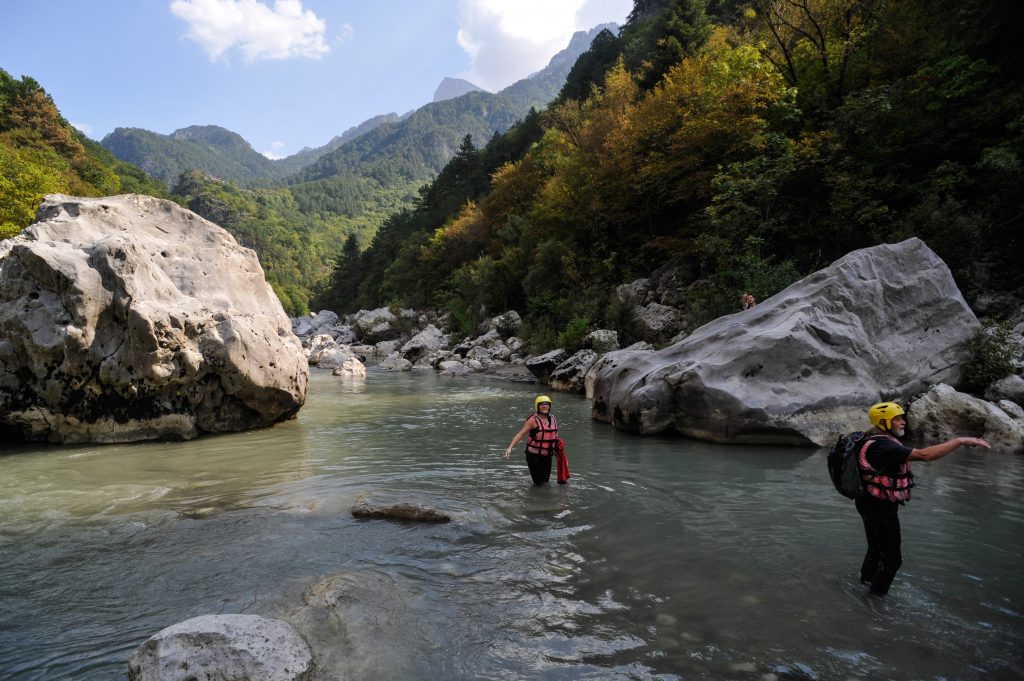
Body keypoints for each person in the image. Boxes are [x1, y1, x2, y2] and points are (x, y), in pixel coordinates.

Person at [855, 401, 990, 596]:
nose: (903, 422)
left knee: (876, 550)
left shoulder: (872, 439)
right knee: (893, 560)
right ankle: (875, 601)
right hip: (880, 508)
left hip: (868, 502)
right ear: (883, 422)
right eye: (897, 419)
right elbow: (925, 455)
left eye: (902, 418)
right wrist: (959, 441)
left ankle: (864, 584)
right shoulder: (882, 446)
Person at [504, 395, 560, 485]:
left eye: (547, 404)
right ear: (537, 406)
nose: (545, 406)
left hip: (547, 455)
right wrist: (510, 448)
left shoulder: (552, 418)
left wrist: (558, 450)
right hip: (534, 456)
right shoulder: (532, 421)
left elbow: (554, 434)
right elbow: (520, 434)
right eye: (542, 404)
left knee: (546, 481)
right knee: (538, 483)